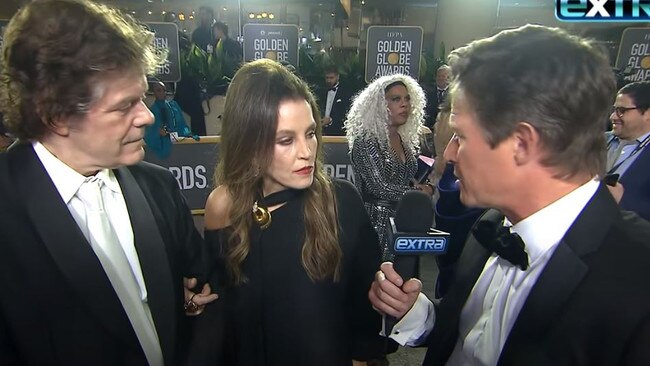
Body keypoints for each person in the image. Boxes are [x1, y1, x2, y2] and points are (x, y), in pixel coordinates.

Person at [369, 25, 650, 366]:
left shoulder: (638, 280)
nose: (451, 154)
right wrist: (417, 313)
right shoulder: (491, 226)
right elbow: (474, 335)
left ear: (522, 144)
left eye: (460, 136)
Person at [0, 1, 217, 365]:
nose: (146, 116)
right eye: (124, 106)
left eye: (144, 97)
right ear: (56, 115)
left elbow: (205, 290)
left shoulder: (158, 187)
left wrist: (185, 305)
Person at [201, 59, 384, 365]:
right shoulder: (223, 205)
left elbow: (365, 307)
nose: (306, 151)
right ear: (248, 142)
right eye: (286, 139)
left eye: (310, 133)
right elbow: (218, 311)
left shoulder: (342, 201)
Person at [345, 74, 433, 261]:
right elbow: (379, 187)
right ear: (379, 106)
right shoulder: (366, 141)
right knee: (377, 280)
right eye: (396, 99)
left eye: (407, 98)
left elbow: (405, 178)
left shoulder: (405, 141)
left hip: (404, 222)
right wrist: (416, 194)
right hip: (376, 224)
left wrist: (419, 186)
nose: (404, 104)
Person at [606, 81, 650, 220]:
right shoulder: (594, 141)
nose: (613, 116)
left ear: (648, 113)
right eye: (614, 110)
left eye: (621, 111)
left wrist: (623, 200)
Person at [145, 81, 192, 159]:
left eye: (164, 90)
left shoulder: (174, 106)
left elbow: (183, 126)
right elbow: (149, 134)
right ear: (154, 93)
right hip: (164, 149)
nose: (162, 93)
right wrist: (158, 133)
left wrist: (188, 136)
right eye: (159, 90)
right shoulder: (152, 112)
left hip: (179, 145)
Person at [317, 66, 352, 136]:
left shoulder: (345, 92)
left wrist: (330, 120)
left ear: (337, 77)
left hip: (338, 133)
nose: (329, 80)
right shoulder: (321, 92)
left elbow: (346, 114)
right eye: (327, 78)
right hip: (322, 133)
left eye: (331, 78)